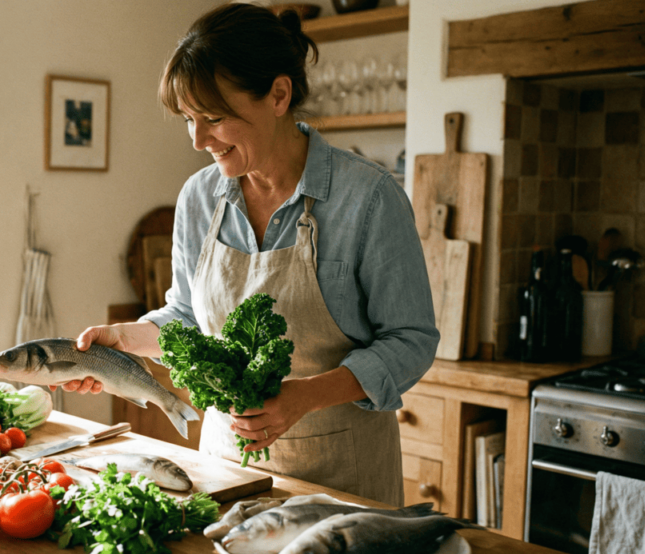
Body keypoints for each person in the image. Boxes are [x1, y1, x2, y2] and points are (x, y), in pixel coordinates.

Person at [53, 3, 438, 506]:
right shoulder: (199, 197)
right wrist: (118, 344)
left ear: (279, 95)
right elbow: (189, 319)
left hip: (343, 481)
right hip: (226, 469)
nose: (197, 139)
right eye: (189, 119)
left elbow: (411, 340)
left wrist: (306, 396)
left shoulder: (368, 198)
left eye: (213, 118)